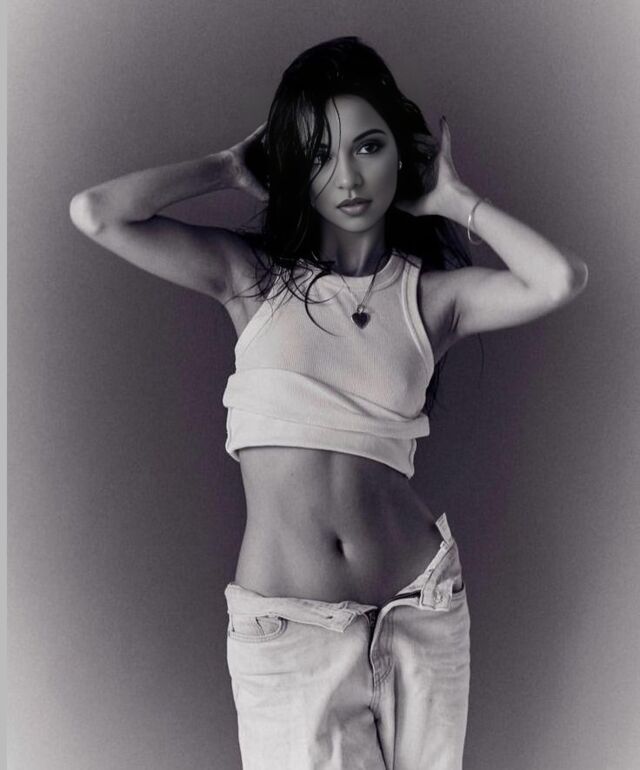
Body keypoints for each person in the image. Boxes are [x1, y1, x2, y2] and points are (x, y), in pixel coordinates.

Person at [69, 35, 588, 770]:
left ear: (400, 154)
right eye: (316, 155)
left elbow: (559, 279)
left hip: (421, 609)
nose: (346, 176)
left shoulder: (430, 299)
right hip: (291, 633)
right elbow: (96, 212)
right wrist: (226, 167)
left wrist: (454, 199)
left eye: (368, 147)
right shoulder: (250, 280)